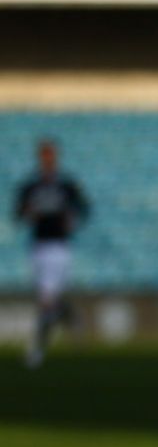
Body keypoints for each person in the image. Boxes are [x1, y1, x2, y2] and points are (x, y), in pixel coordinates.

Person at [15, 139, 89, 369]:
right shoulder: (31, 187)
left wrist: (72, 222)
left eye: (51, 155)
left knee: (46, 302)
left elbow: (84, 209)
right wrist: (27, 214)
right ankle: (70, 315)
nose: (47, 159)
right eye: (44, 155)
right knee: (48, 300)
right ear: (40, 158)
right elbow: (19, 213)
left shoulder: (66, 185)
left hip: (59, 247)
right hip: (38, 246)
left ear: (55, 157)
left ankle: (36, 351)